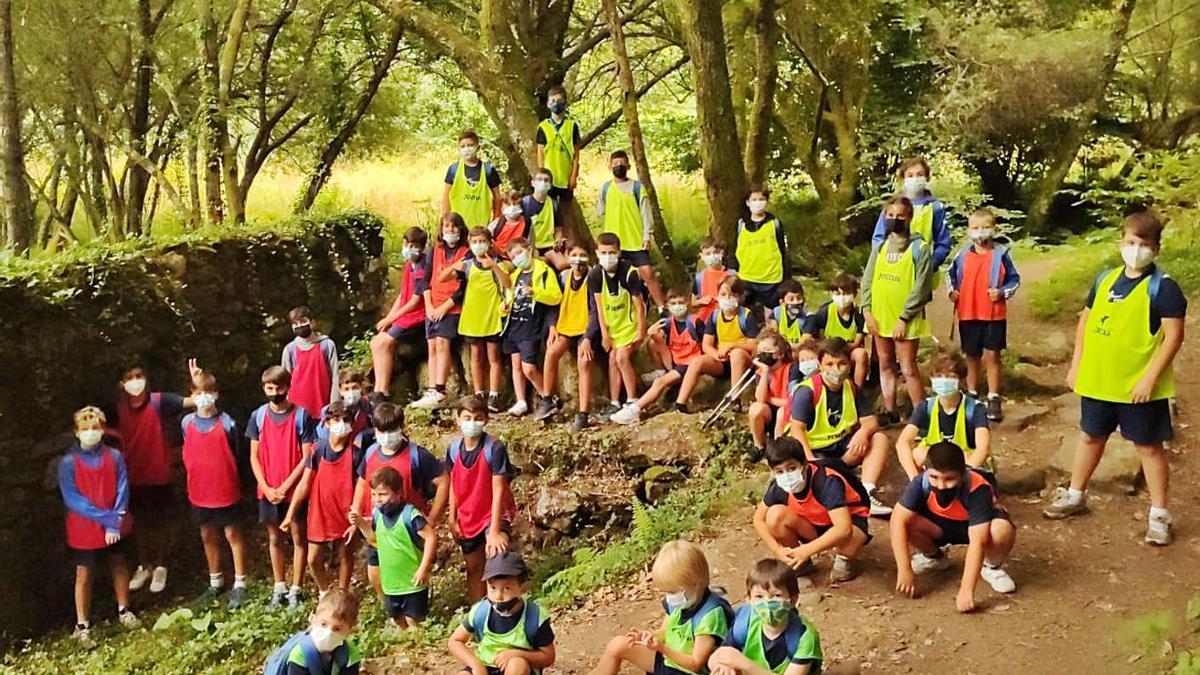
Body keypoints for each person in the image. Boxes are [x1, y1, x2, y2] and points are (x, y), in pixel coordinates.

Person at [1044, 212, 1186, 546]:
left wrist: (1150, 378)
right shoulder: (1105, 279)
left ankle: (1159, 516)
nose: (1136, 250)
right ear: (1122, 242)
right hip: (1098, 381)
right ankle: (1076, 495)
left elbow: (1173, 337)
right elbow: (1086, 321)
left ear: (1156, 248)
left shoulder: (1163, 288)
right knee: (1090, 436)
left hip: (1138, 388)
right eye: (1131, 242)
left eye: (1144, 244)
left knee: (1148, 447)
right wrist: (1076, 364)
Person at [892, 442, 1017, 612]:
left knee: (1001, 529)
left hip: (976, 527)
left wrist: (966, 590)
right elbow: (897, 520)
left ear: (962, 473)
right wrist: (904, 568)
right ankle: (934, 557)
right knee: (908, 520)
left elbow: (978, 540)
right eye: (934, 477)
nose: (941, 485)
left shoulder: (977, 488)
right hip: (940, 526)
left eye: (949, 479)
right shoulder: (920, 482)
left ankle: (991, 566)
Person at [110, 362, 201, 595]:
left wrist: (196, 381)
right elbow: (99, 425)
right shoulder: (119, 408)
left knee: (161, 522)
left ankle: (161, 565)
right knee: (139, 523)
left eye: (139, 375)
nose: (135, 380)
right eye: (129, 377)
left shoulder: (160, 401)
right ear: (122, 383)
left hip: (159, 473)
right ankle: (144, 566)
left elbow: (193, 401)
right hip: (132, 474)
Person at [60, 406, 140, 645]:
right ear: (76, 432)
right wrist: (105, 519)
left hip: (116, 523)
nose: (91, 432)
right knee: (84, 573)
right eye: (85, 429)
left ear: (103, 429)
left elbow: (122, 488)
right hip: (84, 528)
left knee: (119, 564)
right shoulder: (68, 463)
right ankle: (82, 624)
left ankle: (124, 610)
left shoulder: (114, 457)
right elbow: (72, 498)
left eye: (95, 428)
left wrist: (115, 520)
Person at [593, 540, 732, 675]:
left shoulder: (709, 616)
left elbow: (696, 664)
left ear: (695, 584)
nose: (669, 597)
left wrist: (662, 649)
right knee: (617, 645)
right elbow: (664, 632)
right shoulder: (682, 601)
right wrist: (647, 638)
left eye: (672, 592)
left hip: (685, 670)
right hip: (669, 661)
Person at [351, 403, 447, 598]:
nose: (386, 435)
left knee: (409, 577)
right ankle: (390, 613)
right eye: (382, 430)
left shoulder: (417, 455)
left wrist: (434, 517)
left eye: (391, 430)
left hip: (407, 529)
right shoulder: (370, 454)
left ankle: (413, 617)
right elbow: (362, 483)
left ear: (401, 427)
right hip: (378, 526)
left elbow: (444, 481)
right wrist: (355, 514)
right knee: (375, 574)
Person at [788, 337, 892, 516]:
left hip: (843, 448)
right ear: (820, 365)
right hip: (814, 451)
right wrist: (810, 460)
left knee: (879, 438)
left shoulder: (850, 387)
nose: (835, 370)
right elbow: (797, 429)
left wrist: (863, 432)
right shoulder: (807, 391)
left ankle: (866, 492)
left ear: (850, 365)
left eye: (842, 363)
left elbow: (870, 421)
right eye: (829, 364)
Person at [753, 437, 871, 584]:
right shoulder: (779, 487)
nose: (787, 475)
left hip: (850, 522)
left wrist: (807, 550)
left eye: (791, 468)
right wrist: (778, 550)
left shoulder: (827, 481)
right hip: (814, 524)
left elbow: (843, 529)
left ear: (804, 464)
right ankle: (800, 563)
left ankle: (844, 557)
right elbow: (758, 519)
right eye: (780, 471)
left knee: (849, 538)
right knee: (774, 516)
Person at [247, 366, 317, 609]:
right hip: (267, 491)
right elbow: (253, 456)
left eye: (279, 388)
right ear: (264, 388)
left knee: (299, 538)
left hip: (294, 490)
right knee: (274, 538)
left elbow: (307, 456)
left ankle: (296, 588)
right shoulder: (258, 416)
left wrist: (286, 486)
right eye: (270, 388)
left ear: (287, 387)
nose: (274, 392)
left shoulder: (302, 416)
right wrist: (265, 487)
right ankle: (279, 586)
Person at [862, 196, 933, 426]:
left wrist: (904, 317)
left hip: (905, 319)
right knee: (884, 363)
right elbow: (868, 279)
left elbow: (922, 287)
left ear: (909, 217)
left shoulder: (919, 248)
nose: (894, 220)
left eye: (900, 216)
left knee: (908, 367)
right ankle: (890, 410)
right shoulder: (880, 246)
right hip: (879, 317)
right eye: (890, 215)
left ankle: (921, 418)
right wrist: (866, 310)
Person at [180, 372, 248, 609]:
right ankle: (215, 581)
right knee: (207, 535)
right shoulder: (186, 423)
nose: (204, 397)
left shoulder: (228, 423)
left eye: (208, 392)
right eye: (199, 393)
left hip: (226, 488)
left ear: (216, 394)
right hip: (199, 490)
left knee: (232, 534)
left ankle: (240, 583)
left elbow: (239, 456)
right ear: (192, 395)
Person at [947, 209, 1021, 421]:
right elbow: (950, 275)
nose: (980, 232)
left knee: (993, 356)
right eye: (976, 228)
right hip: (968, 313)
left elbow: (1014, 279)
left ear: (994, 228)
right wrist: (952, 292)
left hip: (993, 314)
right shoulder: (962, 255)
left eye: (985, 227)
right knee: (971, 355)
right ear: (969, 230)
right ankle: (971, 394)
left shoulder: (1001, 254)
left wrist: (1002, 292)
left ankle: (994, 396)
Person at [283, 402, 364, 595]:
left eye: (346, 420)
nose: (341, 424)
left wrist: (356, 517)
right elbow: (305, 483)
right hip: (320, 511)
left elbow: (361, 487)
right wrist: (290, 513)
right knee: (313, 559)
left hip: (345, 512)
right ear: (327, 423)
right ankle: (325, 593)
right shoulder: (318, 449)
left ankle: (342, 594)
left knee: (345, 555)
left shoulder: (356, 454)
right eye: (336, 419)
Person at [447, 395, 518, 602]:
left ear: (486, 419)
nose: (472, 423)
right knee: (474, 569)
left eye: (477, 418)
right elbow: (453, 482)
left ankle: (506, 609)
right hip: (468, 516)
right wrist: (452, 517)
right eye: (467, 417)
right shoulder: (453, 449)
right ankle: (478, 614)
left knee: (498, 561)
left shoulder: (494, 448)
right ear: (458, 419)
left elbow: (498, 490)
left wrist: (495, 531)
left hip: (493, 514)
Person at [349, 466, 437, 630]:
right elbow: (375, 540)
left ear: (398, 493)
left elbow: (430, 537)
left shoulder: (410, 515)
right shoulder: (377, 515)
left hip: (412, 582)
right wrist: (360, 523)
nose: (377, 499)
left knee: (414, 621)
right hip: (390, 584)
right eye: (374, 495)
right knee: (398, 621)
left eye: (383, 494)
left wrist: (423, 568)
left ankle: (415, 649)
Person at [707, 559, 823, 675]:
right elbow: (717, 656)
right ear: (749, 600)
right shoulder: (744, 621)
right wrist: (721, 666)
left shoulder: (804, 636)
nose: (767, 603)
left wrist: (745, 664)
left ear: (793, 600)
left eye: (777, 596)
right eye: (759, 596)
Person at [441, 226, 513, 413]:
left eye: (482, 241)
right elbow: (441, 279)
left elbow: (508, 283)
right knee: (476, 356)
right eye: (474, 242)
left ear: (489, 243)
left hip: (493, 317)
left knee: (494, 357)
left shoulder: (499, 263)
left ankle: (494, 395)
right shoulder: (467, 265)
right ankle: (479, 393)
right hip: (472, 318)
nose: (478, 245)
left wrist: (495, 266)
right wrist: (454, 266)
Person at [449, 551, 556, 675]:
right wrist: (475, 665)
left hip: (518, 668)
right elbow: (455, 641)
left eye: (507, 589)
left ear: (523, 587)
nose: (498, 596)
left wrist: (516, 653)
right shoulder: (481, 612)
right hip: (485, 666)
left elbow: (548, 657)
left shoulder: (535, 617)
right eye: (493, 588)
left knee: (517, 664)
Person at [610, 287, 704, 425]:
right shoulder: (668, 322)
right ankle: (662, 370)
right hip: (676, 360)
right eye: (673, 303)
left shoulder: (695, 322)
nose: (677, 306)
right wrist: (650, 332)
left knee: (659, 383)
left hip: (690, 363)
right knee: (655, 340)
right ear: (667, 306)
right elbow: (654, 335)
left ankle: (635, 409)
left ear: (687, 303)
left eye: (680, 302)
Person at [896, 351, 992, 480]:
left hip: (964, 463)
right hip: (935, 463)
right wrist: (913, 477)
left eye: (950, 376)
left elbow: (983, 448)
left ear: (961, 380)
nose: (944, 381)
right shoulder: (926, 406)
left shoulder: (975, 408)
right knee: (918, 453)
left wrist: (965, 475)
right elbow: (902, 442)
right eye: (939, 376)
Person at [674, 276, 759, 414]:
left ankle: (734, 399)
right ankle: (680, 403)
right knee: (697, 361)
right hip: (722, 360)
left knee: (737, 354)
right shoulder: (715, 316)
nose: (727, 298)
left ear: (740, 297)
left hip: (742, 360)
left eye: (732, 295)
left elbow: (754, 344)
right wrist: (716, 355)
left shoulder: (746, 316)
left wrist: (732, 346)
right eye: (723, 295)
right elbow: (706, 345)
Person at [411, 214, 470, 410]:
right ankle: (430, 389)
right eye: (446, 226)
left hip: (451, 307)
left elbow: (464, 287)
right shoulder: (434, 251)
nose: (450, 230)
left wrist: (446, 307)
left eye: (454, 227)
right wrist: (429, 306)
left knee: (443, 344)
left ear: (460, 229)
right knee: (432, 346)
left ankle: (440, 388)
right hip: (433, 305)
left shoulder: (466, 253)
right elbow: (424, 281)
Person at [589, 232, 648, 423]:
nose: (608, 257)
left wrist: (641, 331)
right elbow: (598, 307)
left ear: (619, 252)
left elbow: (639, 305)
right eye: (604, 252)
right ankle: (615, 402)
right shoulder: (596, 274)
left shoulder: (629, 273)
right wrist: (605, 335)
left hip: (629, 326)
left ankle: (632, 401)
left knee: (622, 358)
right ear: (597, 253)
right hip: (612, 326)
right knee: (612, 359)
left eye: (612, 252)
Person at [503, 237, 563, 417]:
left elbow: (555, 297)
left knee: (528, 368)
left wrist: (536, 292)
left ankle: (548, 396)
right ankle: (521, 400)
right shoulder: (514, 276)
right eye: (513, 256)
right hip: (513, 325)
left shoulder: (544, 271)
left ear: (529, 250)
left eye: (519, 252)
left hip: (532, 326)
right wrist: (503, 308)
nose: (517, 258)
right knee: (516, 366)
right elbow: (508, 298)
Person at [597, 150, 665, 308]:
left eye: (621, 164)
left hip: (635, 240)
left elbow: (646, 212)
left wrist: (647, 235)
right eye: (615, 164)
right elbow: (601, 212)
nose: (618, 167)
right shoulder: (605, 188)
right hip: (614, 244)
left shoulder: (637, 187)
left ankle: (662, 307)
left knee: (647, 273)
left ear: (628, 166)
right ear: (609, 167)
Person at [536, 241, 593, 423]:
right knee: (551, 352)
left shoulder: (593, 277)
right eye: (574, 255)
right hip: (566, 325)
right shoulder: (563, 277)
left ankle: (583, 413)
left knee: (583, 362)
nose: (578, 260)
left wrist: (589, 337)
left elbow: (596, 310)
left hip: (586, 329)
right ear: (567, 257)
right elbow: (554, 303)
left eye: (582, 255)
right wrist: (552, 326)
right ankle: (547, 399)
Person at [371, 226, 430, 398]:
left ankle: (383, 390)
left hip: (416, 317)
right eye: (408, 244)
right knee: (376, 343)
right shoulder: (408, 265)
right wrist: (389, 318)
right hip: (404, 315)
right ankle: (379, 388)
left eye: (415, 245)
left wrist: (392, 319)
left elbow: (415, 301)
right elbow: (402, 295)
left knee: (383, 343)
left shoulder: (422, 267)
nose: (410, 249)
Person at [870, 157, 950, 268]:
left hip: (922, 268)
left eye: (920, 174)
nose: (915, 179)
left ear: (927, 177)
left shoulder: (935, 207)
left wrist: (930, 263)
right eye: (910, 175)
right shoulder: (892, 206)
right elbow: (878, 238)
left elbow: (943, 242)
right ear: (903, 178)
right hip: (892, 267)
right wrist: (884, 258)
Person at [264, 588, 362, 675]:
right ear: (313, 620)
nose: (329, 633)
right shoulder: (301, 654)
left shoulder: (350, 654)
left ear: (350, 630)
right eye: (323, 624)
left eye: (337, 629)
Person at [729, 185, 790, 318]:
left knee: (771, 317)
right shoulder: (741, 224)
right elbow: (734, 249)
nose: (758, 202)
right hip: (746, 277)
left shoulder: (775, 224)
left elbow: (783, 250)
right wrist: (734, 271)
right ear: (748, 202)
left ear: (767, 202)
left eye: (761, 199)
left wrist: (786, 276)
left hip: (771, 278)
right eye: (754, 199)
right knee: (743, 315)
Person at [802, 273, 869, 387]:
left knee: (861, 354)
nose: (842, 297)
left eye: (846, 293)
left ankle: (857, 389)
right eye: (837, 293)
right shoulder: (824, 312)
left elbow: (857, 342)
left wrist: (840, 347)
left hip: (847, 352)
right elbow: (816, 337)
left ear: (855, 294)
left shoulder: (858, 315)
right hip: (826, 352)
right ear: (831, 293)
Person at [282, 306, 340, 419]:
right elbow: (285, 382)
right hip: (296, 413)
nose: (299, 326)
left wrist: (334, 404)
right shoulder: (290, 350)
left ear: (312, 323)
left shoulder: (326, 345)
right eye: (295, 323)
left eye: (303, 321)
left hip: (323, 409)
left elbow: (335, 376)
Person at [747, 331, 798, 457]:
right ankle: (759, 446)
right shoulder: (760, 372)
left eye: (768, 349)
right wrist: (764, 372)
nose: (764, 354)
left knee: (782, 411)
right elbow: (760, 399)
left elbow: (791, 401)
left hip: (788, 414)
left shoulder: (792, 369)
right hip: (769, 414)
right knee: (755, 408)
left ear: (780, 354)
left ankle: (777, 450)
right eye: (761, 351)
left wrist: (769, 399)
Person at [537, 85, 581, 228]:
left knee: (567, 212)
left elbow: (576, 154)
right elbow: (540, 153)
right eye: (553, 100)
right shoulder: (543, 127)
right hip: (550, 177)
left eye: (559, 100)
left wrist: (573, 176)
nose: (556, 103)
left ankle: (570, 242)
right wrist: (542, 176)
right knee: (550, 209)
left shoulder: (572, 125)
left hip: (566, 176)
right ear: (548, 104)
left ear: (565, 102)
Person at [444, 130, 502, 229]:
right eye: (463, 146)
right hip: (458, 226)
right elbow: (446, 197)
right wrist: (445, 221)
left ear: (478, 147)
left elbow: (497, 198)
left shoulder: (488, 170)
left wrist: (496, 220)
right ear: (459, 148)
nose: (466, 149)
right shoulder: (454, 169)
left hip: (481, 227)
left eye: (470, 145)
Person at [524, 167, 567, 270]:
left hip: (548, 245)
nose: (542, 182)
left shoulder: (554, 204)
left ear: (550, 185)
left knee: (563, 265)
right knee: (538, 264)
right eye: (539, 179)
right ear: (533, 183)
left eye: (546, 180)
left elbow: (558, 229)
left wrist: (558, 239)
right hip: (530, 245)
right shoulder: (525, 203)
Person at [319, 371, 373, 443]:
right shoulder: (330, 410)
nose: (351, 392)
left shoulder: (367, 406)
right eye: (346, 389)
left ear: (360, 387)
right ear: (340, 391)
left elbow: (376, 428)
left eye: (354, 388)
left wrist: (361, 435)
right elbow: (323, 435)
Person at [694, 237, 734, 324]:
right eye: (707, 254)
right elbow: (692, 303)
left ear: (722, 253)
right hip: (706, 321)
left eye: (716, 252)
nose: (712, 256)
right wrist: (701, 301)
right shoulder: (699, 277)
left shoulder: (732, 274)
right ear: (701, 256)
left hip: (728, 319)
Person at [489, 189, 532, 258]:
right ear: (502, 206)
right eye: (508, 204)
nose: (512, 207)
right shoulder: (496, 224)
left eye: (515, 204)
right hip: (499, 257)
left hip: (519, 257)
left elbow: (530, 244)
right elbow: (488, 242)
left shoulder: (527, 223)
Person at [769, 280, 806, 347]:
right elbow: (773, 334)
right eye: (791, 299)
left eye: (799, 298)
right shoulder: (776, 314)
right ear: (782, 302)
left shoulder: (808, 318)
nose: (796, 302)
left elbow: (805, 341)